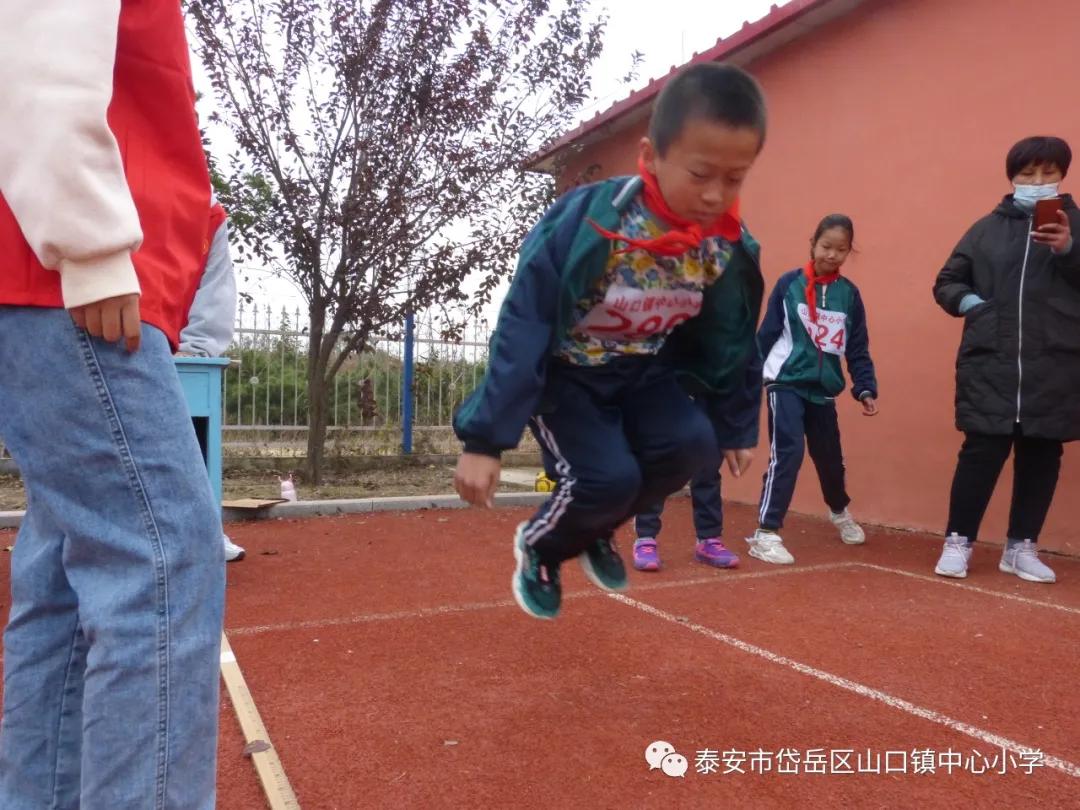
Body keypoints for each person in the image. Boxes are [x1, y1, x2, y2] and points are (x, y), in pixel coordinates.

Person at [0, 2, 225, 808]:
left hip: (43, 270)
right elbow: (37, 44)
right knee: (160, 557)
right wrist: (89, 241)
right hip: (61, 276)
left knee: (66, 572)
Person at [453, 63, 767, 619]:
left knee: (693, 446)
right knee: (607, 479)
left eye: (735, 178)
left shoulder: (725, 246)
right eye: (700, 173)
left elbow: (733, 333)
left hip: (643, 374)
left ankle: (595, 524)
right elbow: (524, 316)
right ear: (651, 158)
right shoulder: (592, 219)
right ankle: (543, 549)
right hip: (568, 377)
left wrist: (737, 422)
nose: (716, 194)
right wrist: (485, 440)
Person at [932, 136, 1079, 584]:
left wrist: (1069, 251)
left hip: (1052, 363)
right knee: (981, 451)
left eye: (1047, 173)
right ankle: (958, 541)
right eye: (1028, 173)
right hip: (990, 360)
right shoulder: (985, 229)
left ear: (1062, 176)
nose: (1037, 182)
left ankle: (1021, 547)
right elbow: (947, 281)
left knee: (1041, 454)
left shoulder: (1075, 225)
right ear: (1012, 177)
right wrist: (973, 304)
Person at [747, 214, 878, 565]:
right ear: (813, 243)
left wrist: (865, 387)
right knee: (787, 452)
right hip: (785, 381)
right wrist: (748, 376)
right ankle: (766, 532)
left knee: (830, 459)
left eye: (842, 250)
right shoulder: (789, 284)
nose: (832, 255)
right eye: (826, 246)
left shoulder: (849, 295)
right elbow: (767, 333)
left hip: (823, 389)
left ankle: (839, 511)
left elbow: (858, 347)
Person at [632, 362, 762, 571]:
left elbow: (748, 371)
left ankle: (708, 539)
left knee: (708, 466)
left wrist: (743, 435)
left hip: (710, 394)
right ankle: (645, 538)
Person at [178, 195, 246, 562]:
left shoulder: (208, 213)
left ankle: (203, 531)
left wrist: (198, 349)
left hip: (177, 347)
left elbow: (215, 291)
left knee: (194, 435)